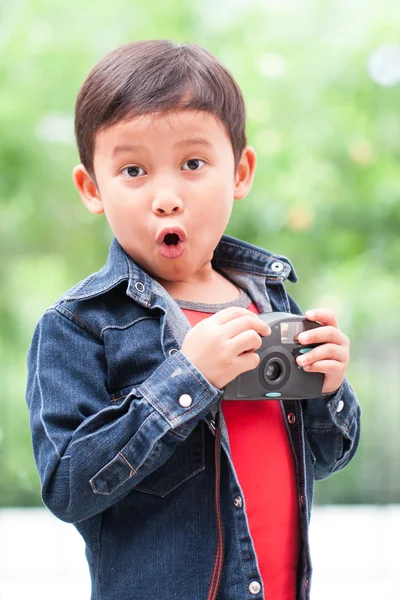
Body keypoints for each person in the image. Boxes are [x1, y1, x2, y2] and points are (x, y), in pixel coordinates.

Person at [26, 40, 361, 600]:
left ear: (241, 172)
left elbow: (324, 459)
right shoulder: (79, 325)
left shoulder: (270, 301)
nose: (166, 197)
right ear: (92, 189)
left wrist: (329, 390)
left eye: (193, 164)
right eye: (133, 169)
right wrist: (187, 379)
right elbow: (67, 486)